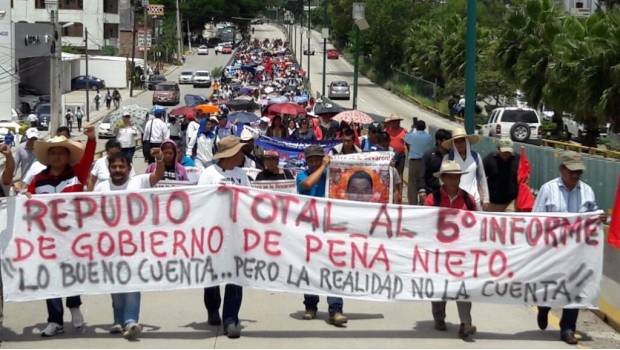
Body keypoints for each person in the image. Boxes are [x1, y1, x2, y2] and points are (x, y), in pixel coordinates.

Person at [27, 126, 96, 337]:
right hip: (47, 238)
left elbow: (89, 155)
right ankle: (54, 320)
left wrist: (91, 138)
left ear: (68, 156)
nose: (57, 156)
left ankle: (74, 306)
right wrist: (26, 199)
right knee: (51, 277)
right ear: (47, 157)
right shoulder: (37, 180)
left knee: (72, 274)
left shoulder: (78, 174)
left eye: (61, 152)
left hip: (73, 237)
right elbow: (27, 203)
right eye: (53, 152)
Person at [534, 151, 603, 345]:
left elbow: (592, 214)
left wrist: (597, 218)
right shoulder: (548, 189)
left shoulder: (587, 191)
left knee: (574, 288)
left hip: (578, 251)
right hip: (553, 250)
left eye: (579, 172)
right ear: (562, 170)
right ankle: (543, 306)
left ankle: (568, 328)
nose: (575, 175)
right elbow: (536, 220)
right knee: (549, 286)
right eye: (572, 171)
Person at [94, 150, 165, 340]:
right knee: (116, 285)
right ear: (109, 169)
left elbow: (158, 175)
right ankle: (118, 320)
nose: (118, 170)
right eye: (114, 167)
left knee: (132, 283)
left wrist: (159, 159)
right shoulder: (101, 188)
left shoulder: (138, 182)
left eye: (121, 166)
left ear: (129, 168)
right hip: (110, 246)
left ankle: (131, 321)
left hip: (135, 245)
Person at [198, 136, 250, 339]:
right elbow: (199, 201)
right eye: (239, 151)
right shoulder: (209, 174)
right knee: (212, 274)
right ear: (230, 154)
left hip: (236, 232)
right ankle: (212, 308)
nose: (242, 154)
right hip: (213, 233)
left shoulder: (242, 174)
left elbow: (248, 198)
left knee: (235, 276)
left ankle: (231, 319)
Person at [424, 160, 477, 338]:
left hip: (462, 253)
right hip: (438, 251)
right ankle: (439, 316)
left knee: (463, 287)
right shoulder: (433, 199)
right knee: (440, 287)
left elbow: (478, 222)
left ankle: (466, 323)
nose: (455, 180)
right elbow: (425, 223)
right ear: (443, 179)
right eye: (451, 177)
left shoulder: (469, 200)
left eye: (458, 177)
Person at [296, 145, 347, 326]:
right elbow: (307, 185)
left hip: (330, 227)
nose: (315, 162)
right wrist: (323, 167)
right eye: (312, 160)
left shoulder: (330, 174)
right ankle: (310, 306)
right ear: (307, 161)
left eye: (318, 159)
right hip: (309, 229)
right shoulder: (302, 175)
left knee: (332, 267)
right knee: (311, 269)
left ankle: (336, 309)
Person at [442, 127, 490, 209]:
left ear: (467, 141)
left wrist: (486, 198)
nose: (460, 144)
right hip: (455, 200)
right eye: (456, 141)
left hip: (475, 199)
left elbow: (482, 177)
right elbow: (442, 180)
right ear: (453, 143)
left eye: (462, 140)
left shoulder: (476, 156)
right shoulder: (448, 158)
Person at [483, 138, 520, 212]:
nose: (506, 154)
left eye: (508, 152)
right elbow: (481, 178)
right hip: (493, 202)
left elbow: (524, 178)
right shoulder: (489, 159)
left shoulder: (517, 158)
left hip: (511, 202)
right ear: (498, 149)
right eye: (504, 151)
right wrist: (484, 198)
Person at [404, 120, 433, 205]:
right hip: (424, 162)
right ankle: (423, 202)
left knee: (412, 184)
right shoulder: (429, 137)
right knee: (423, 182)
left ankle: (413, 203)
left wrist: (412, 129)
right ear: (424, 127)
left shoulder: (412, 136)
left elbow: (406, 138)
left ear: (416, 127)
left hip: (413, 162)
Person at [420, 129, 452, 203]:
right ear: (439, 141)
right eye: (446, 141)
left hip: (447, 194)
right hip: (430, 192)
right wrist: (422, 190)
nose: (449, 143)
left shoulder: (452, 156)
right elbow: (421, 174)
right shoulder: (429, 155)